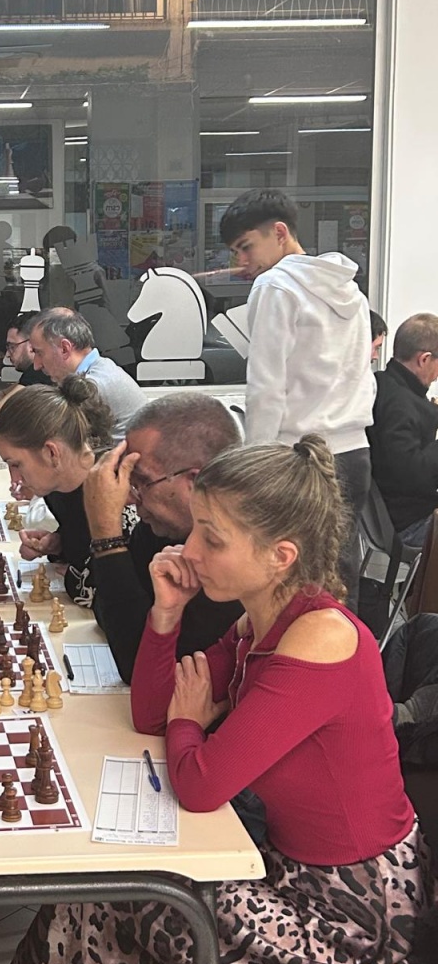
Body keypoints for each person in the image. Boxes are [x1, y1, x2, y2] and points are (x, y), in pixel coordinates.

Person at [0, 436, 429, 964]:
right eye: (196, 531)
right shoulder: (259, 621)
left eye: (212, 539)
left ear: (281, 556)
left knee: (107, 895)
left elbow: (201, 783)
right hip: (284, 870)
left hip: (344, 916)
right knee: (98, 889)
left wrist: (189, 720)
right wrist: (166, 615)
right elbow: (152, 713)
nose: (189, 552)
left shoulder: (319, 639)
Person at [219, 189, 374, 610]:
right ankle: (348, 652)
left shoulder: (275, 286)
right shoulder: (351, 291)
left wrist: (254, 465)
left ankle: (299, 653)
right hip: (354, 452)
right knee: (340, 575)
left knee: (291, 581)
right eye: (236, 252)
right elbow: (362, 372)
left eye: (247, 246)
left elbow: (267, 385)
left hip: (302, 457)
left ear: (280, 232)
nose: (243, 261)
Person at [81, 393, 243, 683]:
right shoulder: (163, 529)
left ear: (194, 481)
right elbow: (103, 610)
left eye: (142, 481)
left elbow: (138, 667)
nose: (130, 498)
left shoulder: (237, 558)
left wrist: (106, 534)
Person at [0, 378, 114, 607]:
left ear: (51, 453)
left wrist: (76, 576)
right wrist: (59, 544)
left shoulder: (112, 490)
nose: (14, 479)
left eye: (16, 464)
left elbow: (107, 594)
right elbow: (83, 541)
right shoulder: (59, 486)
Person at [368, 312, 438, 547]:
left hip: (398, 513)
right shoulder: (399, 405)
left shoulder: (383, 383)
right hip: (409, 524)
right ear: (424, 359)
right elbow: (413, 476)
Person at [26, 307, 145, 443]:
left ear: (64, 349)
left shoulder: (93, 387)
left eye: (39, 353)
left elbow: (62, 446)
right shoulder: (103, 368)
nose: (36, 365)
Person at [0, 315, 51, 413]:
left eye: (12, 347)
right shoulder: (31, 374)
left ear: (32, 344)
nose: (7, 354)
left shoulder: (40, 372)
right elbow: (3, 394)